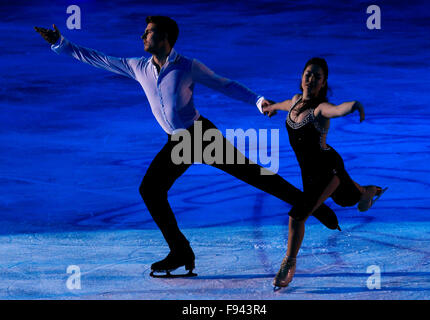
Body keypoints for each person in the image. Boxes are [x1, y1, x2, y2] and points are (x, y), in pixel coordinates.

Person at [34, 17, 340, 277]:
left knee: (256, 175)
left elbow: (224, 84)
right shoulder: (137, 66)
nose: (143, 36)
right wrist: (60, 42)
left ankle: (313, 206)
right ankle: (180, 251)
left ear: (165, 38)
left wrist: (258, 101)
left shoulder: (187, 67)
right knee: (150, 190)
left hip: (200, 137)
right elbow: (98, 58)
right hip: (178, 142)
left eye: (149, 32)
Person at [263, 57, 387, 288]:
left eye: (317, 77)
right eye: (308, 74)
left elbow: (337, 109)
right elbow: (284, 105)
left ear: (323, 83)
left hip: (329, 170)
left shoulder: (320, 109)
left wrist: (354, 105)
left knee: (297, 215)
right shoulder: (295, 101)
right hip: (310, 173)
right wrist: (271, 107)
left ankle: (288, 263)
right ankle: (367, 191)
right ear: (301, 77)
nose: (311, 79)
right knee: (347, 199)